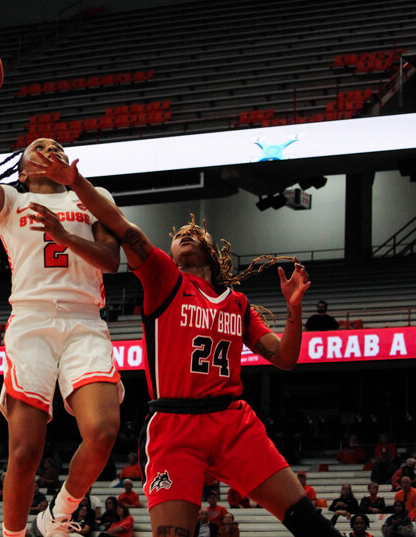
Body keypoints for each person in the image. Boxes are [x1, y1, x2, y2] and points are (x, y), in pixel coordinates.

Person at [32, 163, 342, 537]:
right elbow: (120, 224)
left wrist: (294, 310)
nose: (186, 235)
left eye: (194, 233)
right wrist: (77, 182)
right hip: (174, 424)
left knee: (306, 518)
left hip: (232, 421)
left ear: (211, 251)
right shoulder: (164, 277)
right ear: (171, 251)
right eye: (179, 234)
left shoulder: (237, 303)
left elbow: (285, 359)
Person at [0, 70, 123, 537]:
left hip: (84, 322)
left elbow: (112, 261)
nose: (50, 151)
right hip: (32, 322)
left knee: (102, 432)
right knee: (23, 453)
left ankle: (57, 517)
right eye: (40, 147)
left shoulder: (96, 199)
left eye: (57, 147)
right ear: (23, 167)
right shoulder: (12, 201)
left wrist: (62, 234)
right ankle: (14, 536)